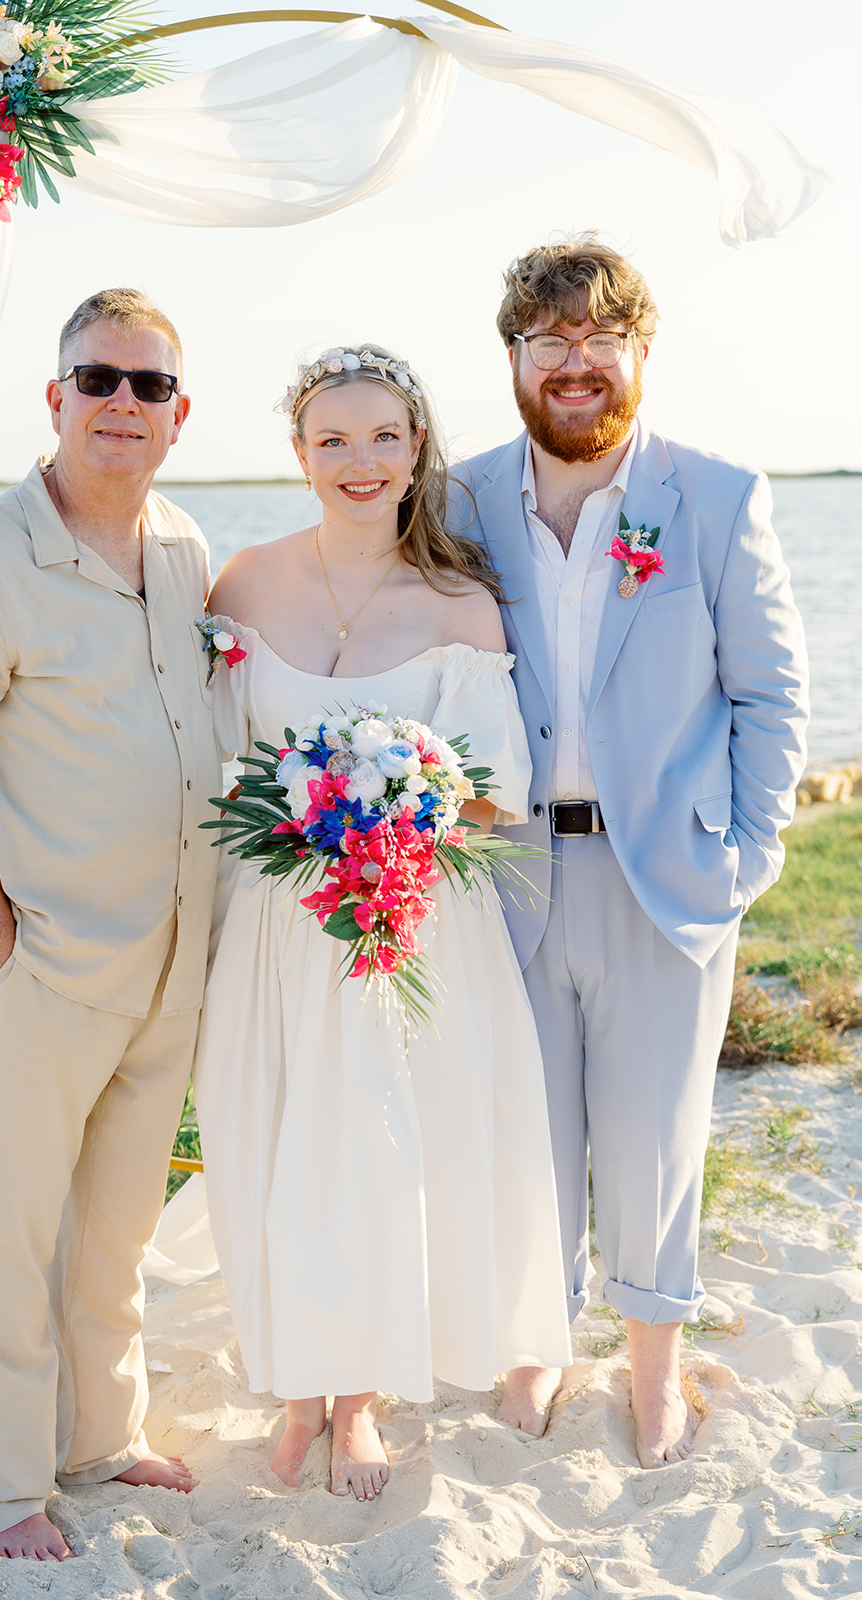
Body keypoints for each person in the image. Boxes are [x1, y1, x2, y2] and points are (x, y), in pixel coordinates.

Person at [450, 236, 809, 1465]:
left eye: (599, 337)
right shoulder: (453, 500)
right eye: (546, 340)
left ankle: (652, 1366)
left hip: (665, 876)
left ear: (639, 352)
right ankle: (534, 1346)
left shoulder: (713, 496)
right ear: (512, 357)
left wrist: (745, 855)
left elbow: (771, 698)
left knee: (655, 1137)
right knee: (525, 1131)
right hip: (505, 877)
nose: (573, 362)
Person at [193, 345, 572, 1502]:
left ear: (416, 448)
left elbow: (494, 783)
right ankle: (295, 1386)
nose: (359, 462)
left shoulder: (460, 600)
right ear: (298, 452)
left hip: (406, 921)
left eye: (382, 438)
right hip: (275, 920)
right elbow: (209, 754)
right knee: (273, 1136)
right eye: (332, 440)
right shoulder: (243, 585)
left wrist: (402, 806)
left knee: (379, 1143)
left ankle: (355, 1401)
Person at [0, 289, 222, 1559]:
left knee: (114, 1229)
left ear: (179, 416)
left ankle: (98, 1435)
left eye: (148, 386)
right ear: (55, 397)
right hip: (41, 965)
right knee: (4, 1231)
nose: (121, 404)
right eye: (99, 379)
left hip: (166, 965)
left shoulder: (186, 548)